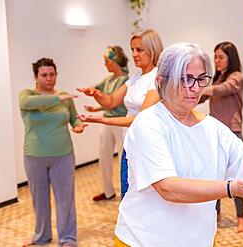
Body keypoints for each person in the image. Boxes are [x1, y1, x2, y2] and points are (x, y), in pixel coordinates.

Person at [113, 42, 243, 247]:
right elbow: (168, 188)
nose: (194, 88)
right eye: (185, 79)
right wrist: (229, 188)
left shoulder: (212, 127)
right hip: (145, 240)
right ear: (161, 82)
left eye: (201, 79)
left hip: (197, 239)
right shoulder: (148, 123)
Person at [77, 29, 163, 197]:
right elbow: (111, 101)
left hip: (147, 145)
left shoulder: (157, 78)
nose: (134, 54)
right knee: (129, 193)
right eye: (132, 50)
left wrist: (102, 120)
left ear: (153, 50)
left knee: (143, 196)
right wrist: (96, 94)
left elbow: (141, 119)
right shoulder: (136, 78)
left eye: (139, 50)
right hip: (130, 143)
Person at [19, 58, 86, 247]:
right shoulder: (27, 95)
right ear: (36, 77)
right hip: (34, 156)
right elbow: (29, 103)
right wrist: (58, 98)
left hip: (63, 155)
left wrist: (79, 126)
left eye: (52, 74)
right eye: (44, 75)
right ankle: (41, 236)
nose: (49, 79)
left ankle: (68, 239)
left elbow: (74, 119)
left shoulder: (65, 97)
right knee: (39, 201)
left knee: (65, 200)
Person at [200, 41, 243, 232]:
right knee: (216, 176)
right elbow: (206, 96)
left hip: (233, 131)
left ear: (231, 58)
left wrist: (203, 89)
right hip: (215, 132)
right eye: (215, 57)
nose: (216, 61)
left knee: (238, 177)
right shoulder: (216, 79)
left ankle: (241, 217)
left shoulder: (237, 77)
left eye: (220, 57)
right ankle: (216, 213)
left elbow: (224, 89)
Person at [85, 46, 129, 201]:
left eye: (107, 61)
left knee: (123, 158)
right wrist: (90, 92)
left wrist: (98, 104)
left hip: (121, 122)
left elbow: (114, 101)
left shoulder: (125, 80)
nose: (105, 65)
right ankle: (108, 191)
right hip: (106, 121)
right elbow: (99, 92)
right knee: (104, 157)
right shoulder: (108, 79)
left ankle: (127, 192)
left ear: (115, 61)